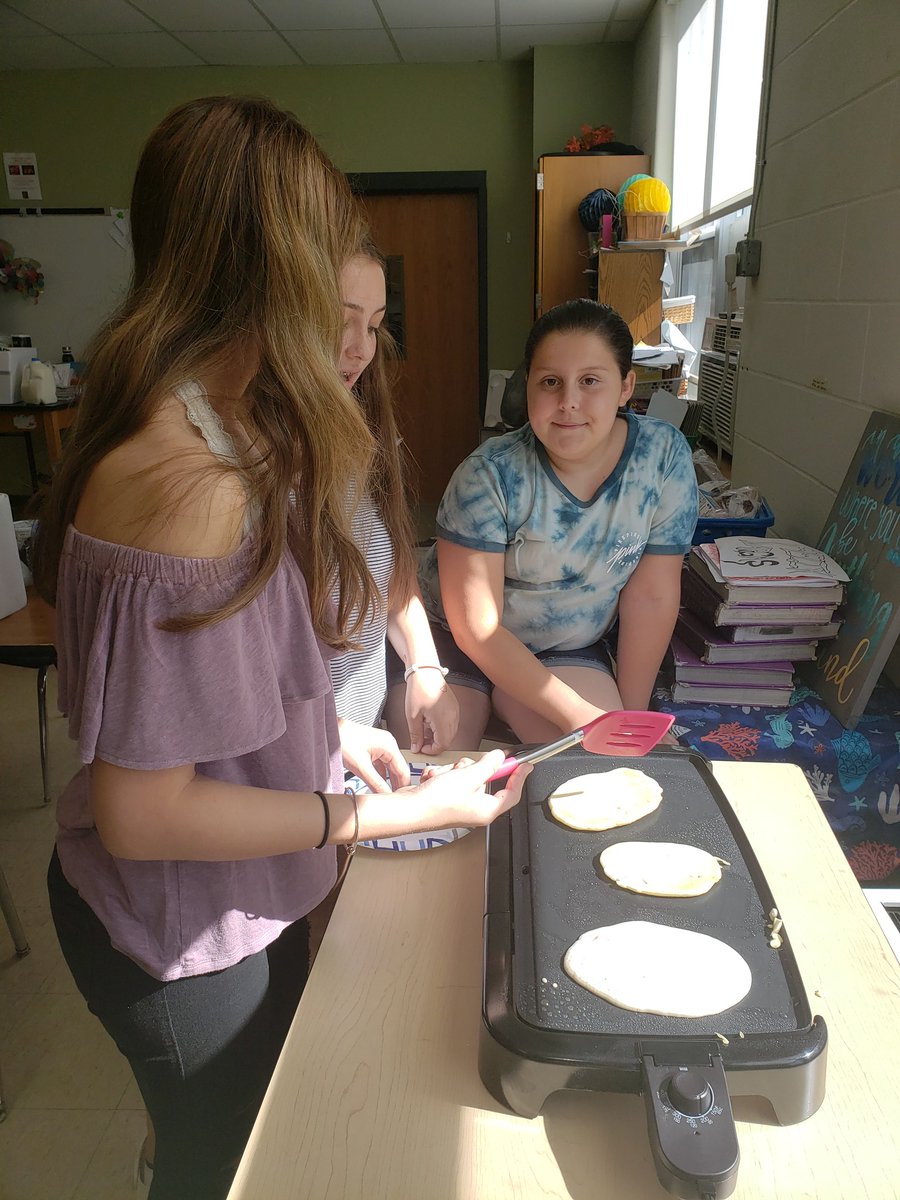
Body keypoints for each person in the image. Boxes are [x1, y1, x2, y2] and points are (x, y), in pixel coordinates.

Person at [33, 95, 529, 1200]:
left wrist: (326, 729)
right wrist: (396, 813)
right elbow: (145, 813)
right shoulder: (186, 479)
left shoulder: (229, 425)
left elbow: (181, 695)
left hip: (224, 894)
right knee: (224, 1166)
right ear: (263, 268)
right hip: (171, 930)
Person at [404, 298, 698, 749]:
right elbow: (476, 629)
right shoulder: (489, 474)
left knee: (610, 768)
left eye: (591, 381)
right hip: (452, 642)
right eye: (550, 382)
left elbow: (653, 595)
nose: (569, 403)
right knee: (439, 771)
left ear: (626, 386)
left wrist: (625, 720)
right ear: (529, 388)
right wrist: (583, 717)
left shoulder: (662, 458)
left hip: (565, 646)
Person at [331, 241, 458, 767]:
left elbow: (388, 574)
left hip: (354, 743)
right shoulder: (244, 466)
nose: (361, 350)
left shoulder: (365, 436)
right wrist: (330, 732)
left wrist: (423, 666)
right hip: (288, 773)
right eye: (341, 321)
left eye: (375, 326)